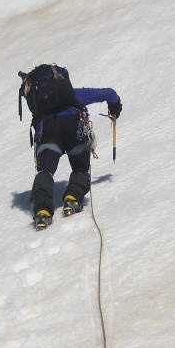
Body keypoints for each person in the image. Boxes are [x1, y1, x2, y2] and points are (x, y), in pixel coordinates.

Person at [18, 65, 121, 229]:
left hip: (47, 131)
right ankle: (72, 199)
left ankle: (42, 211)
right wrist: (115, 106)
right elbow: (109, 93)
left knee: (45, 171)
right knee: (80, 168)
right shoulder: (73, 94)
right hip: (74, 130)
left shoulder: (40, 103)